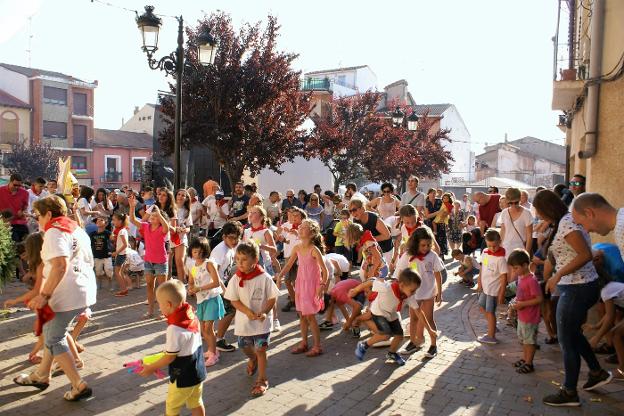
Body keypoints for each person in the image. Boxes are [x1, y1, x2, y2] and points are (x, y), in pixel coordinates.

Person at [13, 195, 96, 402]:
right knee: (52, 331)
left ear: (49, 214)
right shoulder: (76, 228)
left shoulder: (53, 230)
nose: (38, 220)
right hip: (81, 289)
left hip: (65, 293)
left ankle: (78, 384)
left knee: (53, 337)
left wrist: (44, 295)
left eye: (39, 216)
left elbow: (59, 265)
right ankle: (42, 374)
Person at [533, 191, 613, 407]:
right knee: (571, 334)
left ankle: (570, 392)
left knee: (566, 339)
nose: (539, 216)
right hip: (577, 287)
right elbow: (562, 253)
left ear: (546, 209)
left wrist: (557, 275)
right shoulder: (563, 222)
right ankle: (596, 372)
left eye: (539, 212)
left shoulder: (567, 222)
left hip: (577, 287)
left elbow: (585, 254)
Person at [139, 280, 206, 416]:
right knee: (196, 402)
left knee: (172, 408)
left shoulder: (174, 329)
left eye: (159, 304)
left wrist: (151, 367)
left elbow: (170, 356)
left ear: (168, 305)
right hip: (198, 371)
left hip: (182, 377)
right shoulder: (191, 314)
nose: (159, 308)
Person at [224, 241, 280, 397]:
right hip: (244, 323)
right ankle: (253, 359)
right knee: (244, 346)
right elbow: (233, 299)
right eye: (237, 259)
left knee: (261, 349)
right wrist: (246, 311)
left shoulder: (264, 277)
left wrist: (264, 312)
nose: (240, 263)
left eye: (244, 259)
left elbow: (272, 297)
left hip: (262, 323)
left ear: (255, 260)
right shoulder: (236, 278)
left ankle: (262, 379)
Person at [353, 269, 435, 366]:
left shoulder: (409, 296)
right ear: (402, 285)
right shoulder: (387, 288)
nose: (414, 293)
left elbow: (419, 312)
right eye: (412, 290)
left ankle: (391, 353)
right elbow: (372, 281)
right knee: (385, 335)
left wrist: (430, 330)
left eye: (416, 290)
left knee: (399, 336)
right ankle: (363, 345)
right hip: (378, 311)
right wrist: (355, 290)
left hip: (391, 313)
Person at [278, 220, 329, 356]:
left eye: (304, 228)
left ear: (312, 234)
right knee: (301, 315)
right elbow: (288, 265)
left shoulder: (314, 249)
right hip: (300, 284)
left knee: (310, 317)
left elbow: (325, 271)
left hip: (312, 286)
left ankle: (317, 346)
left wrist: (321, 287)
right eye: (300, 227)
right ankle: (304, 343)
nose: (300, 229)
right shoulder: (297, 247)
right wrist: (279, 276)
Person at [393, 227, 443, 357]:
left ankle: (433, 345)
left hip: (429, 292)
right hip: (413, 294)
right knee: (413, 318)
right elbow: (399, 273)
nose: (426, 248)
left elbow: (438, 274)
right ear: (415, 243)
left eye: (428, 244)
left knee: (429, 318)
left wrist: (440, 293)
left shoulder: (432, 256)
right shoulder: (408, 256)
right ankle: (414, 342)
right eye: (423, 245)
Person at [128, 194, 170, 319]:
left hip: (161, 262)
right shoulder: (146, 226)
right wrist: (131, 207)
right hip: (148, 261)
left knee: (162, 288)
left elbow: (167, 227)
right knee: (150, 287)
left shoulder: (163, 229)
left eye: (155, 216)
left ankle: (164, 312)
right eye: (151, 215)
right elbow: (132, 220)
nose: (152, 217)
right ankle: (151, 311)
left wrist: (159, 213)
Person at [187, 237, 224, 367]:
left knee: (208, 328)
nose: (197, 254)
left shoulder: (209, 263)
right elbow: (191, 282)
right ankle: (211, 350)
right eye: (195, 251)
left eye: (200, 251)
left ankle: (213, 354)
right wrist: (190, 289)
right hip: (200, 300)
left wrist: (200, 288)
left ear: (205, 251)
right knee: (204, 329)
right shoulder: (191, 266)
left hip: (212, 298)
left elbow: (216, 282)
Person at [507, 249, 543, 374]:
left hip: (530, 317)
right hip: (522, 316)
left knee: (530, 341)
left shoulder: (532, 280)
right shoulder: (521, 277)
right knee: (524, 340)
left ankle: (529, 363)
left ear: (525, 265)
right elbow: (521, 295)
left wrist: (522, 304)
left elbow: (539, 299)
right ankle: (525, 358)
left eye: (515, 268)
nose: (513, 271)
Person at [210, 221, 243, 353]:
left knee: (218, 312)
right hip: (217, 285)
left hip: (224, 283)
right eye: (231, 237)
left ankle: (208, 333)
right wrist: (224, 290)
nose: (235, 241)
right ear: (224, 237)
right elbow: (214, 272)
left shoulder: (229, 247)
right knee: (230, 311)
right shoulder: (220, 250)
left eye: (237, 237)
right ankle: (219, 340)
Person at [476, 229, 507, 345]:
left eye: (494, 246)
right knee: (481, 306)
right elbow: (482, 267)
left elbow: (504, 277)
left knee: (490, 311)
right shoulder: (484, 252)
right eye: (489, 245)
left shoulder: (501, 259)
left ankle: (491, 335)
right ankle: (492, 325)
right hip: (485, 287)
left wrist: (502, 292)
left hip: (494, 290)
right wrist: (479, 282)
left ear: (500, 241)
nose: (492, 248)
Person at [275, 207, 306, 312]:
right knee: (287, 281)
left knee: (297, 282)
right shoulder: (288, 226)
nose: (293, 217)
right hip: (289, 255)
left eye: (296, 215)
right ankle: (294, 300)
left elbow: (308, 241)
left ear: (302, 216)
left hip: (300, 256)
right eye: (292, 215)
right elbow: (287, 241)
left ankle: (300, 305)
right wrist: (281, 238)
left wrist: (297, 233)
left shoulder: (305, 226)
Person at [349, 198, 393, 266]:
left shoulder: (373, 218)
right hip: (371, 250)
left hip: (385, 249)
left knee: (379, 274)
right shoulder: (355, 220)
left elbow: (387, 235)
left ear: (362, 208)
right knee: (365, 274)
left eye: (354, 210)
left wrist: (369, 239)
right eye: (350, 211)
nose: (352, 213)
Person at [500, 187, 533, 259]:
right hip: (505, 249)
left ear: (520, 199)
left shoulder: (527, 213)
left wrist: (527, 253)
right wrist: (499, 248)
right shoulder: (504, 212)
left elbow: (529, 235)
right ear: (507, 201)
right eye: (510, 203)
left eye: (516, 202)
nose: (514, 205)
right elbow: (503, 231)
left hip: (520, 250)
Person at [0, 173, 30, 242]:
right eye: (15, 185)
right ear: (10, 182)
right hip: (5, 224)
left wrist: (23, 212)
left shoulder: (25, 193)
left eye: (19, 185)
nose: (17, 187)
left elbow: (25, 207)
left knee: (27, 242)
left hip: (20, 223)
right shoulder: (1, 191)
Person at [173, 189, 193, 283]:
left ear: (186, 198)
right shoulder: (170, 208)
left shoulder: (187, 211)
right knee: (167, 261)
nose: (180, 197)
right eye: (179, 194)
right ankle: (168, 283)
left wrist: (185, 230)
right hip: (170, 237)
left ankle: (181, 284)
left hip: (181, 238)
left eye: (183, 195)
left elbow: (189, 227)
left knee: (179, 261)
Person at [424, 189, 449, 258]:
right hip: (429, 224)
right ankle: (431, 255)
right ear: (428, 194)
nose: (433, 195)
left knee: (441, 239)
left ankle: (441, 255)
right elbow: (427, 216)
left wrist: (443, 216)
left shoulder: (439, 201)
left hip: (440, 222)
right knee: (431, 239)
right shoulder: (426, 202)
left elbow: (445, 210)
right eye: (431, 193)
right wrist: (437, 213)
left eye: (434, 193)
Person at [90, 217, 113, 290]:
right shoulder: (92, 234)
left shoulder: (107, 233)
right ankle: (99, 284)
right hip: (97, 255)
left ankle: (110, 284)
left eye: (101, 220)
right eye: (97, 221)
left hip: (107, 255)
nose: (99, 221)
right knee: (98, 271)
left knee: (109, 270)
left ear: (106, 224)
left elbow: (113, 239)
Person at [111, 213, 130, 297]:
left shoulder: (122, 231)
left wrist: (116, 252)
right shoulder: (122, 230)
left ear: (120, 221)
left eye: (114, 220)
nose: (113, 221)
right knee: (120, 272)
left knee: (117, 272)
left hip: (121, 254)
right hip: (122, 254)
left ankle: (123, 290)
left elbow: (125, 244)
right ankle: (124, 289)